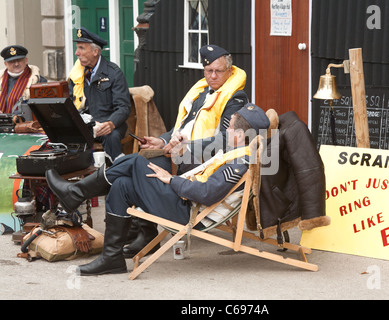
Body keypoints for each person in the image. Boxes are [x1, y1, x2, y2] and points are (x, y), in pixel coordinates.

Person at [46, 103, 270, 276]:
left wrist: (171, 180)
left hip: (187, 211)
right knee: (123, 185)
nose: (226, 130)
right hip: (183, 200)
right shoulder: (238, 154)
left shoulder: (239, 163)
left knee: (136, 162)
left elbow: (206, 194)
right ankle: (111, 258)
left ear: (240, 136)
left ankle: (75, 193)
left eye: (229, 127)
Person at [120, 44, 249, 258]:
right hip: (183, 155)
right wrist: (162, 141)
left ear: (230, 71)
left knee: (140, 168)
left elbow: (226, 140)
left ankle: (141, 229)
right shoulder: (201, 92)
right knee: (142, 166)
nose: (213, 76)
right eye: (209, 71)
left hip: (203, 162)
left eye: (219, 71)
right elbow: (185, 125)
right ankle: (142, 231)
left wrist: (186, 148)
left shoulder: (235, 98)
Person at [68, 27, 131, 163]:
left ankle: (115, 173)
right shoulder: (76, 74)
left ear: (95, 51)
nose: (76, 53)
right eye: (77, 48)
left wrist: (111, 123)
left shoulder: (114, 73)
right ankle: (77, 174)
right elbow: (69, 103)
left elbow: (123, 107)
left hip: (107, 123)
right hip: (85, 124)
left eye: (81, 48)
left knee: (112, 136)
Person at [0, 45, 46, 120]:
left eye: (19, 60)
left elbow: (43, 109)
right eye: (12, 61)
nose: (16, 64)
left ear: (26, 60)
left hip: (27, 126)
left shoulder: (39, 81)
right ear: (5, 64)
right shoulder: (1, 80)